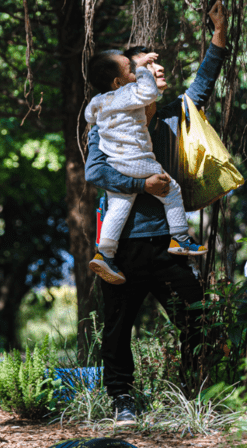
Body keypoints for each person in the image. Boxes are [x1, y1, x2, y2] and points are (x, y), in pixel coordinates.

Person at [84, 0, 228, 424]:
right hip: (123, 247)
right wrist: (141, 184)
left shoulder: (172, 117)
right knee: (117, 330)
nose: (149, 76)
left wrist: (219, 32)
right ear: (122, 84)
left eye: (151, 73)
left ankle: (197, 395)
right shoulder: (107, 124)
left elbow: (205, 80)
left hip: (168, 247)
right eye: (139, 72)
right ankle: (122, 400)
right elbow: (95, 171)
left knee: (194, 317)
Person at [85, 50, 206, 286]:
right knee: (171, 190)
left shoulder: (98, 102)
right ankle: (180, 238)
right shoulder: (128, 93)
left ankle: (105, 253)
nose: (139, 72)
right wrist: (142, 67)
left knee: (118, 205)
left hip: (116, 163)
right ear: (119, 82)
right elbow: (148, 92)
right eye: (132, 70)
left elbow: (90, 115)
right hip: (138, 160)